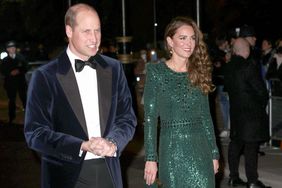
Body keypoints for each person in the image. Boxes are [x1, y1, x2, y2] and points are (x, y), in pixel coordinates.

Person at [24, 3, 136, 188]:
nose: (94, 38)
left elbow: (126, 118)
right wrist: (81, 145)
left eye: (97, 31)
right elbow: (35, 134)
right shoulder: (45, 76)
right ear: (69, 31)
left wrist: (113, 143)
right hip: (66, 175)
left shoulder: (114, 69)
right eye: (86, 31)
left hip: (109, 171)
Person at [143, 16, 219, 187]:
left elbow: (206, 116)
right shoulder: (156, 72)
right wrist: (150, 158)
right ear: (170, 41)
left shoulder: (199, 72)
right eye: (182, 38)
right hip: (172, 151)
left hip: (201, 151)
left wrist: (214, 153)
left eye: (192, 38)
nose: (189, 43)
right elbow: (150, 118)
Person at [224, 38, 271, 188]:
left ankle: (233, 177)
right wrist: (261, 104)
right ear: (247, 50)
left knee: (236, 144)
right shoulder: (249, 66)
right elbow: (261, 91)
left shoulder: (229, 67)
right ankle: (252, 181)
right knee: (251, 147)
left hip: (236, 112)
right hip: (251, 113)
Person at [0, 40, 28, 125]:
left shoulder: (21, 58)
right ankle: (11, 118)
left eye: (13, 47)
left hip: (21, 83)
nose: (12, 49)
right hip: (10, 84)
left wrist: (19, 71)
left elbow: (26, 67)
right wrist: (9, 73)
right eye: (10, 48)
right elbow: (2, 70)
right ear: (7, 50)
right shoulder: (5, 60)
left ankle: (29, 117)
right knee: (11, 101)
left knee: (24, 100)